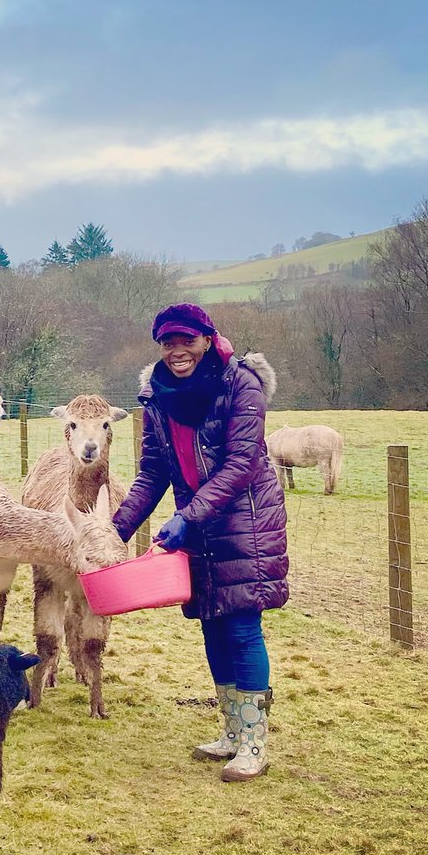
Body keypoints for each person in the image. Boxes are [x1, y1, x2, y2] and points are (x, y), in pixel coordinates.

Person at [110, 302, 288, 781]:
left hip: (245, 521)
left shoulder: (240, 385)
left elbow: (240, 465)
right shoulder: (158, 396)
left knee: (240, 626)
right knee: (211, 624)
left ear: (207, 339)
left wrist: (188, 516)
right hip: (199, 525)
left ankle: (254, 743)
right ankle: (232, 732)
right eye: (167, 342)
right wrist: (113, 531)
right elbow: (153, 472)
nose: (177, 350)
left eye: (186, 340)